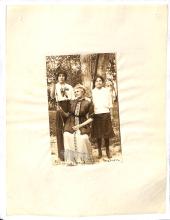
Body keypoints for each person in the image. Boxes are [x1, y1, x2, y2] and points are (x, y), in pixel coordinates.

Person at [58, 84, 94, 166]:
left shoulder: (88, 102)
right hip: (71, 122)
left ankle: (83, 159)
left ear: (83, 91)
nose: (75, 93)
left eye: (77, 91)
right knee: (66, 134)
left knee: (83, 138)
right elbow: (68, 114)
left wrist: (80, 126)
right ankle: (71, 160)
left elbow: (91, 118)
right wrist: (61, 111)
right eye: (74, 92)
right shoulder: (72, 101)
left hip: (82, 122)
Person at [50, 68, 75, 161]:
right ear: (57, 77)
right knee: (59, 130)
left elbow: (72, 99)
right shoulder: (55, 86)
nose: (61, 77)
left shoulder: (69, 86)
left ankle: (72, 152)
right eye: (59, 76)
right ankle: (62, 155)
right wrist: (52, 85)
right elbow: (52, 96)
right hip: (59, 107)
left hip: (69, 106)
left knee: (69, 129)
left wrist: (71, 110)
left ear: (65, 77)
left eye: (63, 76)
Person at [91, 75, 114, 159]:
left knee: (106, 134)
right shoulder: (92, 92)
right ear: (94, 83)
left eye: (100, 80)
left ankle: (107, 150)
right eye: (96, 81)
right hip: (96, 114)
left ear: (102, 82)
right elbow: (91, 104)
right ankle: (100, 151)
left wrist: (111, 115)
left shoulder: (106, 91)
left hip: (106, 113)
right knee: (98, 134)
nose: (98, 82)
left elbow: (110, 104)